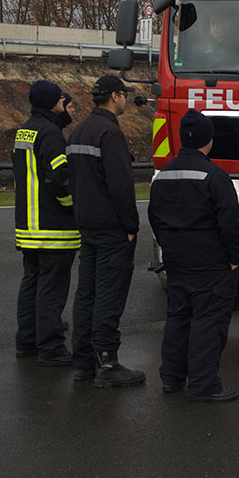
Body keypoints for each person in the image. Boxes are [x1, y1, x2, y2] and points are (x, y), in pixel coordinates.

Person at [147, 109, 239, 402]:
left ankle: (172, 377)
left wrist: (170, 246)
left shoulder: (164, 175)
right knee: (208, 322)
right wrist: (234, 258)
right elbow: (231, 222)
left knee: (178, 318)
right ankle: (204, 384)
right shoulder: (214, 176)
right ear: (209, 140)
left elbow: (154, 217)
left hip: (177, 261)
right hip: (211, 263)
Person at [66, 74, 146, 388]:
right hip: (112, 228)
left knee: (87, 294)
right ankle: (108, 362)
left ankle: (83, 362)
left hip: (86, 224)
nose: (126, 99)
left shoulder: (78, 131)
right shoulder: (109, 132)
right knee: (109, 296)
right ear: (114, 96)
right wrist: (130, 226)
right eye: (124, 94)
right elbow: (121, 186)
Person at [12, 79, 80, 366]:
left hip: (28, 225)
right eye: (63, 101)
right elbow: (59, 180)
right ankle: (51, 349)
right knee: (51, 289)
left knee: (32, 285)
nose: (68, 107)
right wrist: (73, 209)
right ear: (54, 102)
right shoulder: (51, 134)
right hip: (52, 226)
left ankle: (27, 341)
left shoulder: (25, 131)